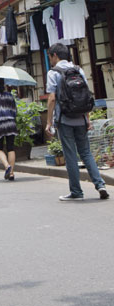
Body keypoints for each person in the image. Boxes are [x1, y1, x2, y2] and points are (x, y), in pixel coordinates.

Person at [45, 43, 109, 201]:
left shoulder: (53, 73)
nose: (50, 60)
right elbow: (85, 95)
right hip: (80, 118)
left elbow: (52, 98)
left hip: (65, 120)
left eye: (50, 57)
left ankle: (76, 192)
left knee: (71, 156)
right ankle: (100, 184)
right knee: (86, 152)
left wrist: (49, 122)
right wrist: (87, 118)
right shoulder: (78, 70)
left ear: (55, 55)